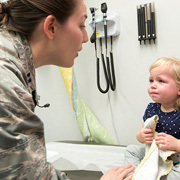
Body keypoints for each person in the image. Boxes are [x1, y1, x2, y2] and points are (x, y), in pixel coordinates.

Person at [0, 0, 134, 179]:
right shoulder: (6, 84)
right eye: (81, 25)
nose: (86, 37)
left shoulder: (13, 60)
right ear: (51, 27)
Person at [124, 57, 180, 179]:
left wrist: (176, 144)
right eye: (151, 80)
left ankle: (162, 176)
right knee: (130, 150)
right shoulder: (152, 108)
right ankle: (134, 175)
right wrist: (141, 136)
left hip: (177, 159)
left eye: (161, 81)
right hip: (155, 154)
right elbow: (141, 132)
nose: (153, 85)